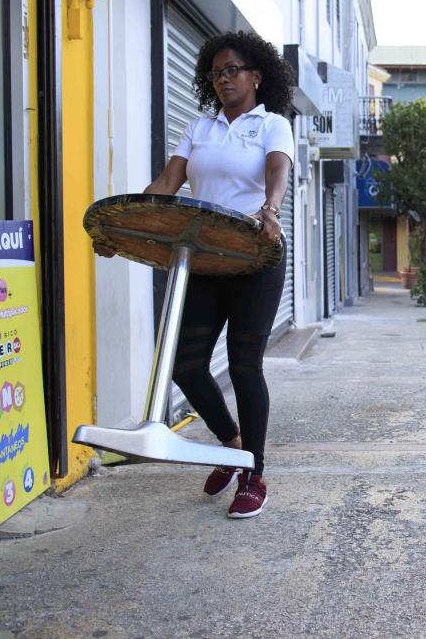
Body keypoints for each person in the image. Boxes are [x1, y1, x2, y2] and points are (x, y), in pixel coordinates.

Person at [96, 31, 294, 518]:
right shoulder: (200, 128)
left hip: (255, 256)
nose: (224, 79)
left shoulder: (272, 125)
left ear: (256, 75)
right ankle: (232, 442)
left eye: (233, 70)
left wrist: (270, 209)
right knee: (185, 363)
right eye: (216, 72)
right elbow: (166, 185)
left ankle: (254, 473)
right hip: (205, 258)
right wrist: (124, 228)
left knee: (246, 365)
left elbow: (277, 172)